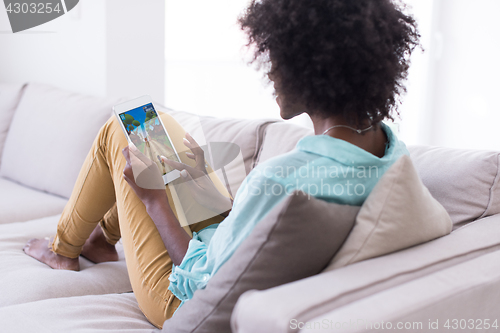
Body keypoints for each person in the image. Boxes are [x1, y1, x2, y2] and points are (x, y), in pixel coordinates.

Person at [23, 0, 420, 329]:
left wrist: (156, 201)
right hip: (220, 236)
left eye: (275, 58)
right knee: (148, 124)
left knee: (118, 131)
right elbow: (247, 235)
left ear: (309, 68)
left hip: (177, 298)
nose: (270, 73)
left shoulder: (281, 179)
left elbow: (205, 284)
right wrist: (198, 187)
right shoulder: (387, 148)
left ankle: (63, 249)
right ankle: (101, 239)